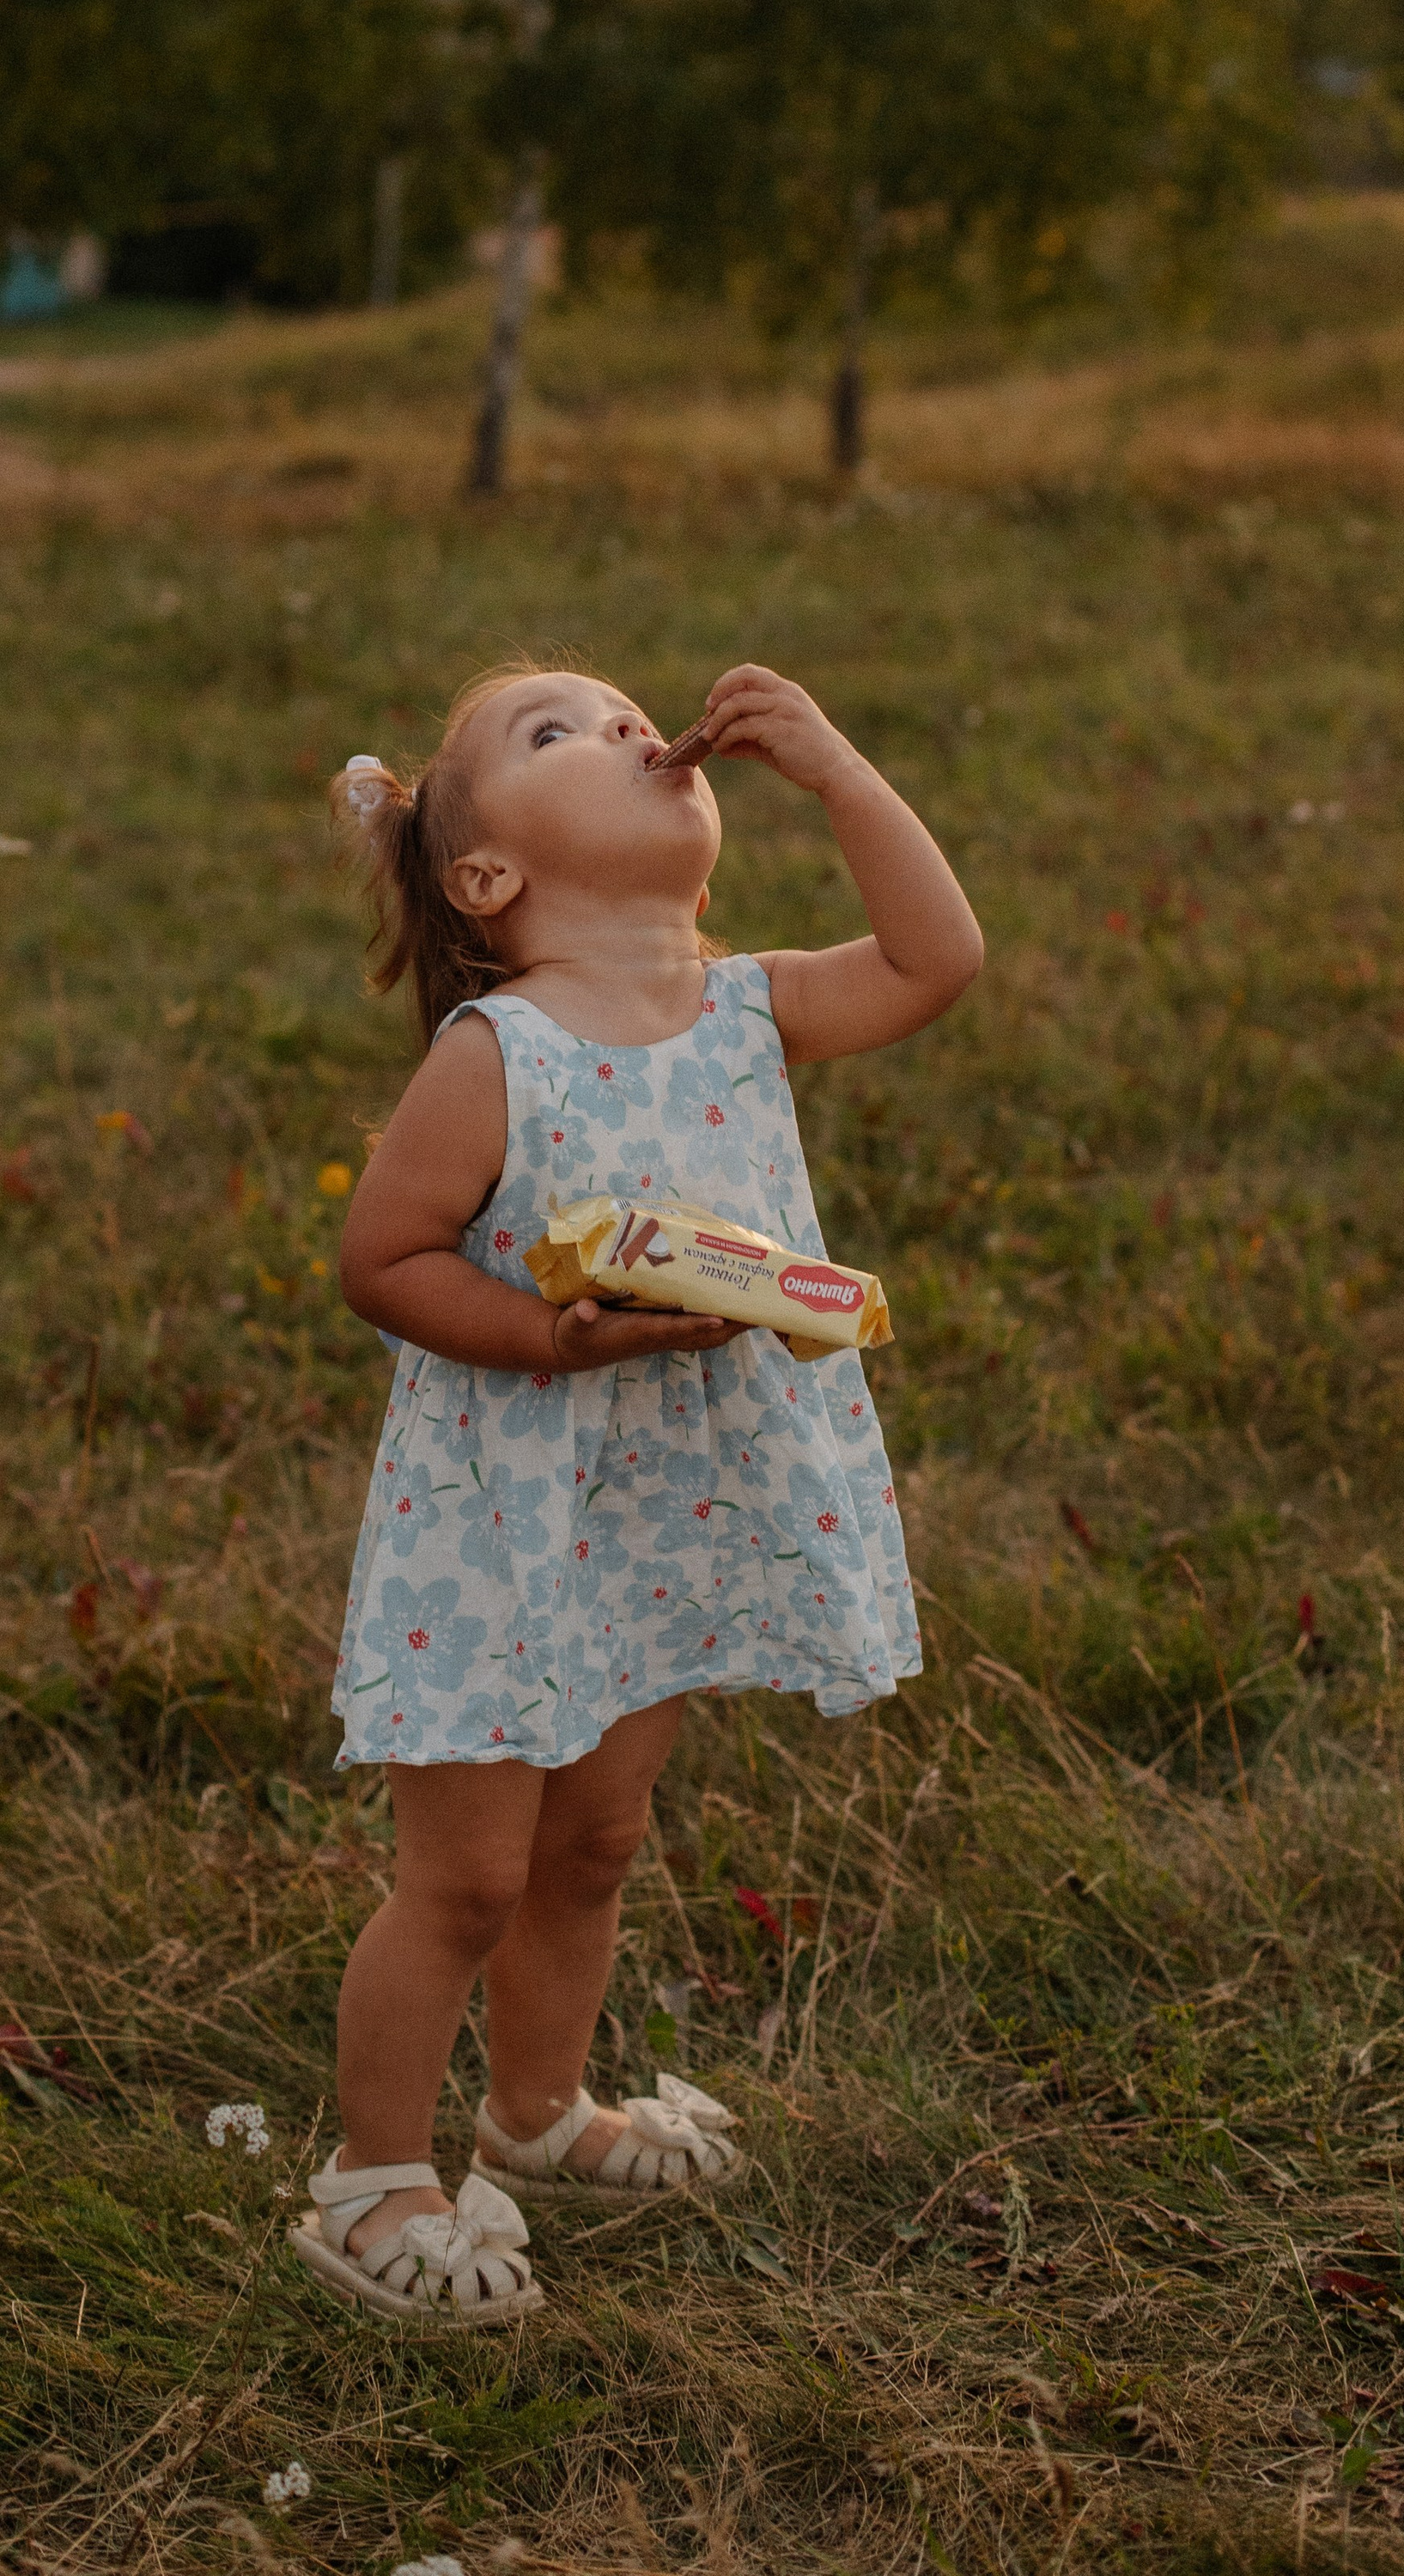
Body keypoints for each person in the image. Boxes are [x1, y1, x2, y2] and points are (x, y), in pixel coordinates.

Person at [291, 661, 983, 2323]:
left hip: (665, 1509)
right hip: (506, 1521)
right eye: (556, 730)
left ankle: (535, 2113)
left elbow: (935, 958)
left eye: (620, 710)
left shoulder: (747, 1005)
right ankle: (367, 2188)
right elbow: (379, 1258)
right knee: (464, 1877)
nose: (621, 725)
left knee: (595, 1842)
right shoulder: (499, 1052)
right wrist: (545, 1332)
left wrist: (835, 762)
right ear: (489, 881)